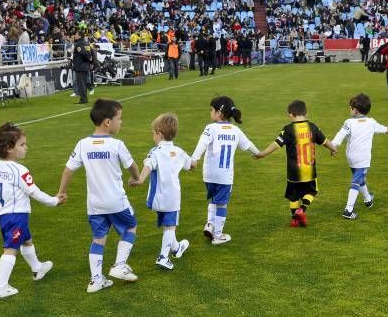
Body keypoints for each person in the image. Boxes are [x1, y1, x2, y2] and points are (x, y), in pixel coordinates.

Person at [58, 99, 142, 293]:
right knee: (131, 226)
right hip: (116, 201)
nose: (121, 122)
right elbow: (132, 166)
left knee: (98, 238)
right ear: (107, 122)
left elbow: (68, 170)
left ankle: (96, 280)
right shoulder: (117, 145)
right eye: (119, 119)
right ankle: (120, 265)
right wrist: (136, 178)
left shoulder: (83, 144)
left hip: (94, 204)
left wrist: (62, 192)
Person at [0, 123, 63, 298]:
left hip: (4, 215)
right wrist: (54, 201)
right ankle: (0, 287)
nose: (26, 148)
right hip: (16, 215)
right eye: (22, 145)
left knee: (26, 239)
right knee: (11, 249)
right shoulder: (20, 170)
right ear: (10, 148)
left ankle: (37, 268)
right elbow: (34, 192)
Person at [255, 100, 337, 227]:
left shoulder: (288, 129)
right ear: (306, 113)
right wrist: (333, 149)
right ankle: (302, 210)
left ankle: (295, 218)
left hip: (294, 171)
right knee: (311, 192)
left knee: (293, 197)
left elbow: (276, 144)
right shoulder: (313, 127)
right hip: (309, 170)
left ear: (291, 115)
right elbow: (325, 141)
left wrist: (262, 154)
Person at [190, 96, 259, 245]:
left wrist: (194, 159)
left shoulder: (210, 128)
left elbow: (202, 144)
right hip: (224, 176)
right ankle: (217, 235)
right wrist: (258, 153)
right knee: (222, 204)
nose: (210, 112)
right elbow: (248, 145)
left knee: (214, 199)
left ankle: (210, 224)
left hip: (208, 175)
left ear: (219, 113)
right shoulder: (235, 130)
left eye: (211, 110)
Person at [134, 113, 193, 271]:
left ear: (159, 134)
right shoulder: (179, 152)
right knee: (170, 227)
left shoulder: (155, 152)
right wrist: (193, 163)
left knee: (168, 225)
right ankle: (163, 257)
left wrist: (140, 179)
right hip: (172, 197)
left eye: (153, 132)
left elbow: (148, 166)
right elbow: (191, 165)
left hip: (157, 198)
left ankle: (176, 247)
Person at [331, 93, 388, 220]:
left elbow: (340, 135)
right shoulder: (371, 122)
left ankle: (368, 199)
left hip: (351, 157)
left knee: (359, 178)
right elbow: (384, 129)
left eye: (350, 107)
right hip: (363, 158)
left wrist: (334, 146)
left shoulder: (349, 123)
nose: (349, 109)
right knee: (356, 181)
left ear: (355, 110)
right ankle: (348, 210)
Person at [71, 30, 92, 104]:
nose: (74, 36)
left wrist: (87, 58)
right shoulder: (87, 43)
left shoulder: (79, 44)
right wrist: (89, 60)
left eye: (76, 34)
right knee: (84, 83)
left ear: (79, 35)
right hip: (85, 66)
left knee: (81, 84)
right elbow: (89, 54)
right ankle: (84, 98)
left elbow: (84, 54)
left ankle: (83, 99)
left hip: (80, 66)